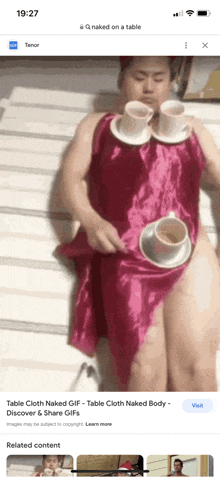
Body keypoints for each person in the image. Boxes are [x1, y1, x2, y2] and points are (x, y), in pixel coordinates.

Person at [59, 56, 220, 391]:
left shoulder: (193, 128)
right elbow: (71, 180)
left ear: (171, 82)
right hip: (124, 246)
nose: (149, 87)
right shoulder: (97, 124)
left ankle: (201, 442)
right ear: (123, 79)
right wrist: (90, 220)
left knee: (197, 370)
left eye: (159, 78)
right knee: (144, 372)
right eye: (140, 77)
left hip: (189, 245)